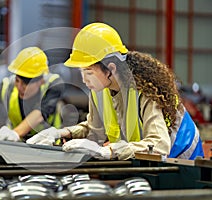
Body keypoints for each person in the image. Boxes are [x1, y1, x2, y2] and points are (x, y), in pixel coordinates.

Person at [27, 22, 204, 160]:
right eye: (82, 72)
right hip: (150, 163)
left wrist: (108, 151)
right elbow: (94, 130)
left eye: (88, 72)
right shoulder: (100, 89)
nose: (84, 79)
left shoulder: (145, 92)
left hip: (183, 160)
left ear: (110, 68)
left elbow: (159, 146)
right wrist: (60, 133)